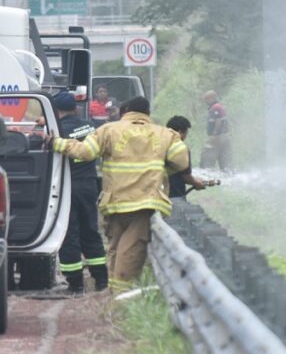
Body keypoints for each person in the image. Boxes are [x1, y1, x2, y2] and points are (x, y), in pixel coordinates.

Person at [49, 96, 189, 290]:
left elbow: (84, 152)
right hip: (144, 204)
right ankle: (120, 297)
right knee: (130, 253)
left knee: (115, 251)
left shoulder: (108, 130)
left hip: (115, 203)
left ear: (126, 112)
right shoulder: (165, 134)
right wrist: (160, 170)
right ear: (147, 113)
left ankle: (114, 295)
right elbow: (181, 162)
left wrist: (56, 143)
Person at [51, 91, 108, 295]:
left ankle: (75, 284)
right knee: (90, 231)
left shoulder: (57, 130)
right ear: (75, 108)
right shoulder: (90, 126)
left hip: (68, 187)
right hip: (89, 185)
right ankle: (101, 280)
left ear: (56, 111)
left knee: (69, 233)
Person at [166, 116, 207, 200]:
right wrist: (196, 182)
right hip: (175, 194)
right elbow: (186, 177)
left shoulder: (158, 144)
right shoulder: (180, 148)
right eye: (186, 133)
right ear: (180, 132)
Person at [201, 90, 231, 170]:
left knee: (207, 158)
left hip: (217, 137)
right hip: (224, 137)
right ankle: (227, 173)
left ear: (212, 98)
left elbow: (218, 120)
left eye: (207, 99)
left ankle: (206, 173)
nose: (206, 101)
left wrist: (214, 134)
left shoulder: (216, 107)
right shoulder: (220, 106)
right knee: (225, 161)